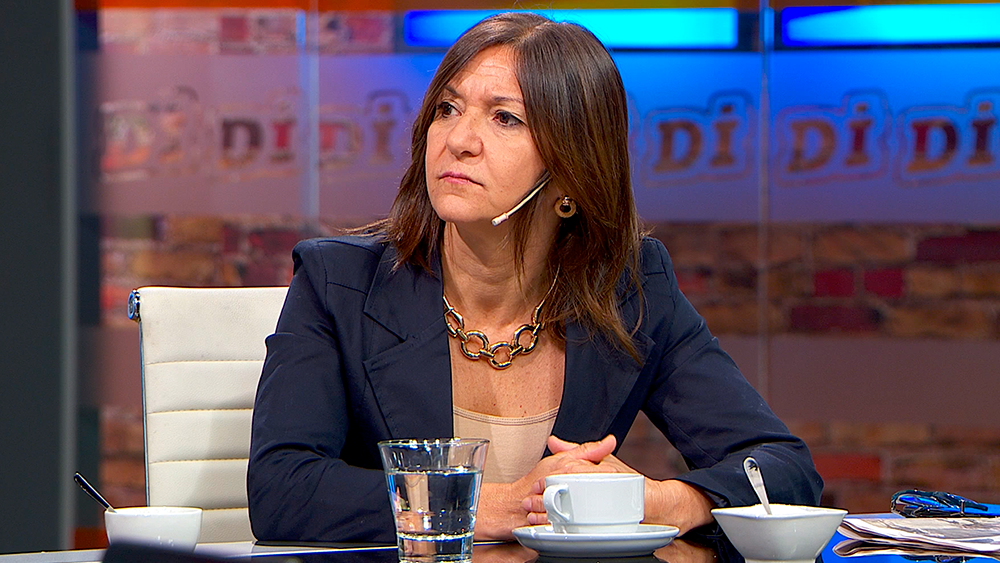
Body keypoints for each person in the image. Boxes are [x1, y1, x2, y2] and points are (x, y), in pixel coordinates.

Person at [247, 12, 822, 544]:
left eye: (505, 118)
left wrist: (659, 501)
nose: (459, 140)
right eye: (447, 108)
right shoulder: (339, 283)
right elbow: (283, 490)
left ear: (572, 172)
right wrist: (495, 506)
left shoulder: (631, 290)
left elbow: (783, 469)